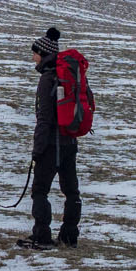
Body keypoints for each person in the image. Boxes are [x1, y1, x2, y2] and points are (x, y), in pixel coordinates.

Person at [21, 26, 80, 250]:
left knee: (40, 190)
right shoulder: (69, 76)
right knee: (71, 190)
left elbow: (43, 119)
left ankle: (42, 235)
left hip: (51, 145)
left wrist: (37, 150)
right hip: (70, 142)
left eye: (34, 52)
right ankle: (69, 236)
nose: (33, 57)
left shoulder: (48, 80)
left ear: (44, 53)